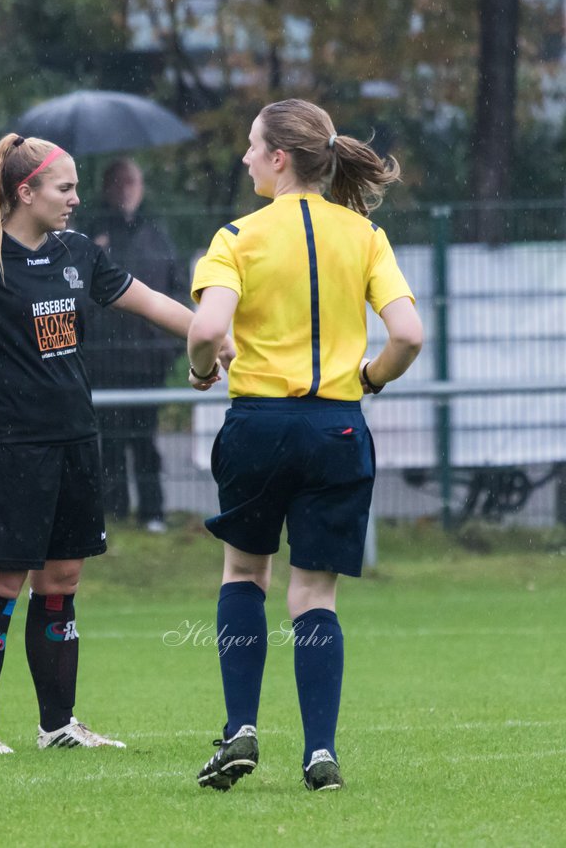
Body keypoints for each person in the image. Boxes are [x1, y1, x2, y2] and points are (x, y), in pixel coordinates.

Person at [0, 134, 232, 754]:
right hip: (9, 444)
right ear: (24, 191)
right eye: (65, 188)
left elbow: (150, 302)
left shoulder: (78, 252)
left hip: (77, 439)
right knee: (0, 581)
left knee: (60, 579)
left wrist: (214, 336)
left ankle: (58, 725)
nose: (76, 200)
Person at [187, 99, 423, 792]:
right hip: (337, 427)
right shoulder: (365, 236)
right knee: (315, 593)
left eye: (253, 146)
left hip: (259, 423)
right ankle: (320, 750)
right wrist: (370, 380)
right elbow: (408, 334)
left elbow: (206, 332)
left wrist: (203, 371)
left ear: (280, 158)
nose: (245, 157)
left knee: (243, 577)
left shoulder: (237, 235)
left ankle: (240, 731)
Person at [79, 158, 185, 532]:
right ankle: (114, 508)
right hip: (102, 360)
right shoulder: (90, 235)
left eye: (133, 182)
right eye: (119, 182)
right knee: (108, 437)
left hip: (147, 362)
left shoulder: (157, 235)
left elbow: (177, 292)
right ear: (108, 187)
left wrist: (167, 349)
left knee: (144, 436)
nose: (127, 189)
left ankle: (152, 511)